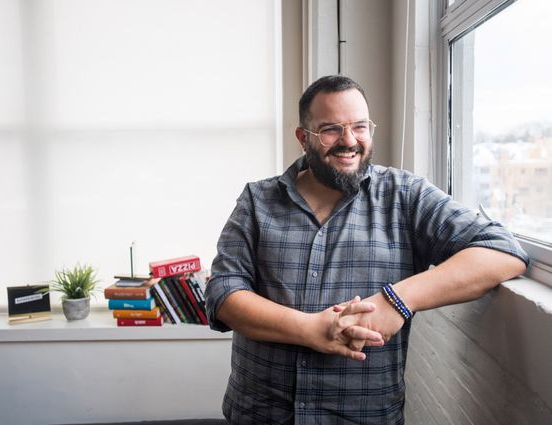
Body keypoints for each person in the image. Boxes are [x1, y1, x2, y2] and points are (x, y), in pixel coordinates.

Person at [204, 75, 528, 424]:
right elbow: (223, 294)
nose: (349, 141)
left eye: (360, 126)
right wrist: (311, 330)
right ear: (303, 138)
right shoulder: (257, 200)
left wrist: (397, 300)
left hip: (363, 416)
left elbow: (502, 250)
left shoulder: (406, 195)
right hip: (261, 413)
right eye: (331, 129)